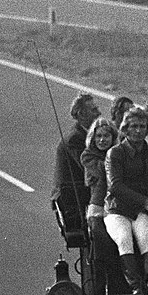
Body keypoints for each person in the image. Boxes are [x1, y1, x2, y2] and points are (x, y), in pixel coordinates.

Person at [104, 107, 148, 294]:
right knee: (124, 239)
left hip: (143, 211)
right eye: (134, 126)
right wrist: (145, 201)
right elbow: (115, 186)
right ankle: (136, 288)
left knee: (147, 241)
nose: (138, 131)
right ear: (125, 129)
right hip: (118, 210)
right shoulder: (115, 153)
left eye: (142, 126)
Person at [79, 117, 128, 295]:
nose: (102, 139)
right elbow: (108, 174)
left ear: (113, 137)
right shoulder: (89, 156)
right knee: (100, 238)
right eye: (98, 136)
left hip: (117, 207)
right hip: (98, 206)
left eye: (106, 136)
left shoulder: (119, 154)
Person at [50, 93, 102, 249]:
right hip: (73, 202)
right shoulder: (75, 138)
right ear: (81, 114)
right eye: (94, 110)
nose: (99, 112)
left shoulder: (88, 135)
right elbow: (91, 169)